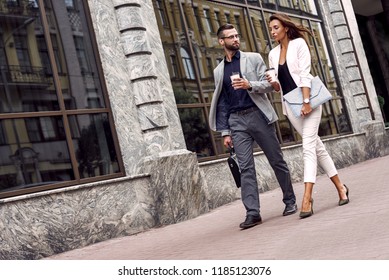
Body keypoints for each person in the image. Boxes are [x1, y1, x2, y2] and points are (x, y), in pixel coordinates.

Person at [209, 24, 297, 229]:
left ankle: (290, 201)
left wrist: (250, 85)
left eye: (237, 35)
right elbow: (222, 103)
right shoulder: (218, 71)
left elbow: (270, 86)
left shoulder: (254, 58)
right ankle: (253, 212)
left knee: (277, 160)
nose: (235, 39)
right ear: (222, 42)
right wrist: (225, 132)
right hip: (236, 121)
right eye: (231, 37)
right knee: (246, 168)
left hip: (258, 115)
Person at [267, 13, 350, 219]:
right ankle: (341, 187)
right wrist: (273, 81)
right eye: (271, 29)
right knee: (317, 147)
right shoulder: (273, 53)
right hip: (291, 105)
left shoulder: (299, 44)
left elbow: (304, 74)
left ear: (285, 28)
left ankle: (307, 197)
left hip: (308, 100)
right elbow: (279, 87)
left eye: (276, 27)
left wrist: (306, 102)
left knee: (307, 148)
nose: (273, 31)